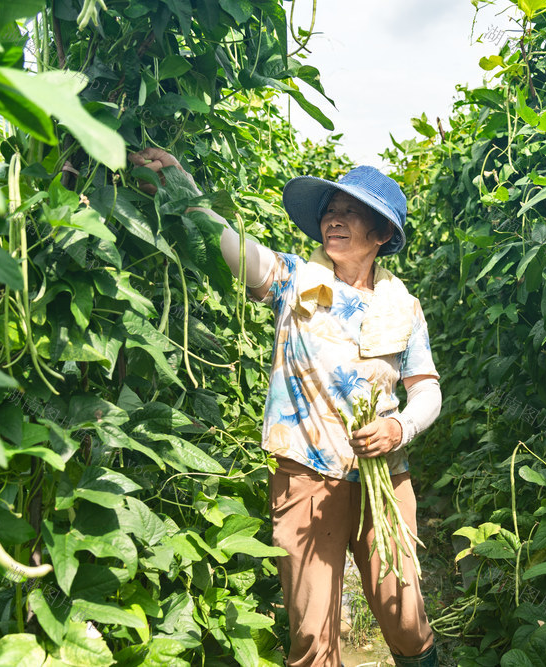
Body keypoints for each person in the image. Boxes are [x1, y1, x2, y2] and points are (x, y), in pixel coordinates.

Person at [129, 148, 442, 666]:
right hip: (306, 474)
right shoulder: (296, 280)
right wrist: (185, 188)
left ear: (382, 233)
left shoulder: (402, 308)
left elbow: (426, 389)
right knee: (313, 636)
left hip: (384, 477)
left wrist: (399, 428)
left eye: (350, 211)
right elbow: (235, 247)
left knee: (406, 617)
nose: (334, 218)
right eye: (329, 210)